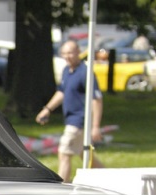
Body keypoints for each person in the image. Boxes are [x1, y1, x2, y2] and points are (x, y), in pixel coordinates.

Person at [35, 39, 104, 182]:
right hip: (70, 119)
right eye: (64, 53)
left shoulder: (85, 72)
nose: (67, 56)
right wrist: (47, 109)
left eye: (70, 53)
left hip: (79, 121)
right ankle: (109, 178)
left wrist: (95, 126)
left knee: (64, 152)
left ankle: (62, 188)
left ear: (78, 52)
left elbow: (96, 100)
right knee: (86, 156)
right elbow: (62, 92)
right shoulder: (67, 70)